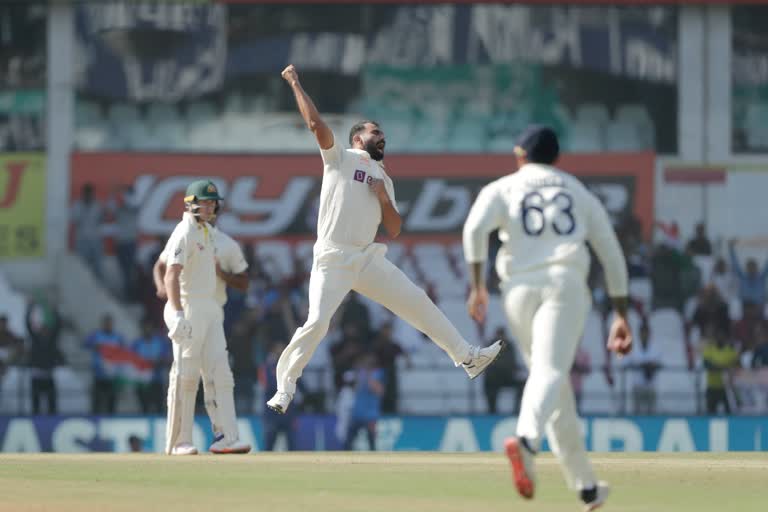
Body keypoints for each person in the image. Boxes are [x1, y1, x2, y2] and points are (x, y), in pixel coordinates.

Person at [265, 64, 504, 415]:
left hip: (367, 260)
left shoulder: (385, 180)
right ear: (357, 138)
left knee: (418, 303)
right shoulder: (340, 159)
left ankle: (467, 357)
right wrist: (296, 83)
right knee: (317, 321)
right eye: (375, 132)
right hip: (333, 257)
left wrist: (381, 196)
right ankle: (284, 389)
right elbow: (316, 125)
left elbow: (394, 228)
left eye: (382, 134)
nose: (382, 137)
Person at [463, 125, 632, 511]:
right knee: (551, 373)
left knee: (553, 385)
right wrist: (621, 315)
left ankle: (586, 487)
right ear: (557, 158)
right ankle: (525, 441)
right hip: (564, 284)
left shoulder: (503, 187)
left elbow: (474, 229)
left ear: (520, 155)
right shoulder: (576, 190)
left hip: (517, 290)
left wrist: (477, 286)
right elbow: (611, 253)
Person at [157, 179, 250, 455]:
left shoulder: (208, 232)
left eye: (212, 203)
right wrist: (177, 313)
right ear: (191, 204)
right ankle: (179, 441)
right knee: (186, 376)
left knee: (221, 374)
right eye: (205, 202)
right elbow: (170, 273)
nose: (209, 207)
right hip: (189, 306)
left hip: (211, 309)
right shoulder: (183, 231)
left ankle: (226, 436)